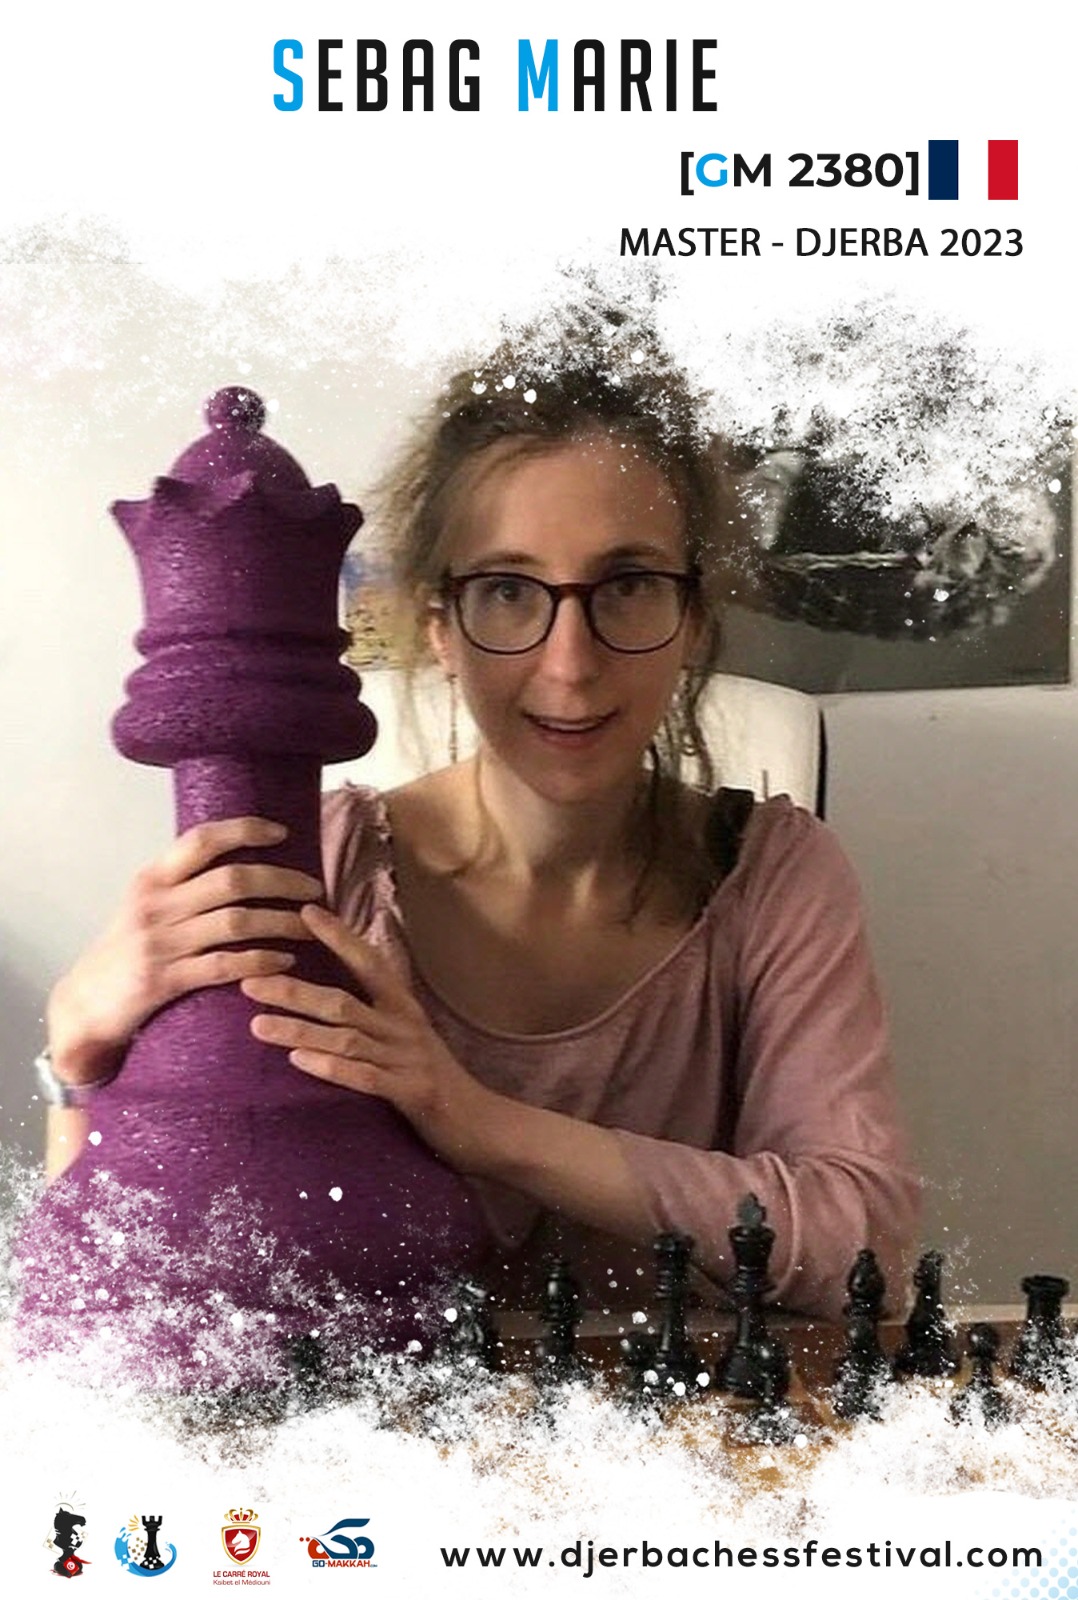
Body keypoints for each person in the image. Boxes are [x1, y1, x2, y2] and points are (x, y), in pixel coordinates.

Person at [41, 329, 918, 1323]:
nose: (569, 664)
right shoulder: (303, 869)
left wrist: (478, 1121)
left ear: (695, 617)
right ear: (440, 626)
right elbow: (123, 1285)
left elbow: (866, 1248)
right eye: (507, 590)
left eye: (628, 584)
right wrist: (77, 1063)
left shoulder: (775, 875)